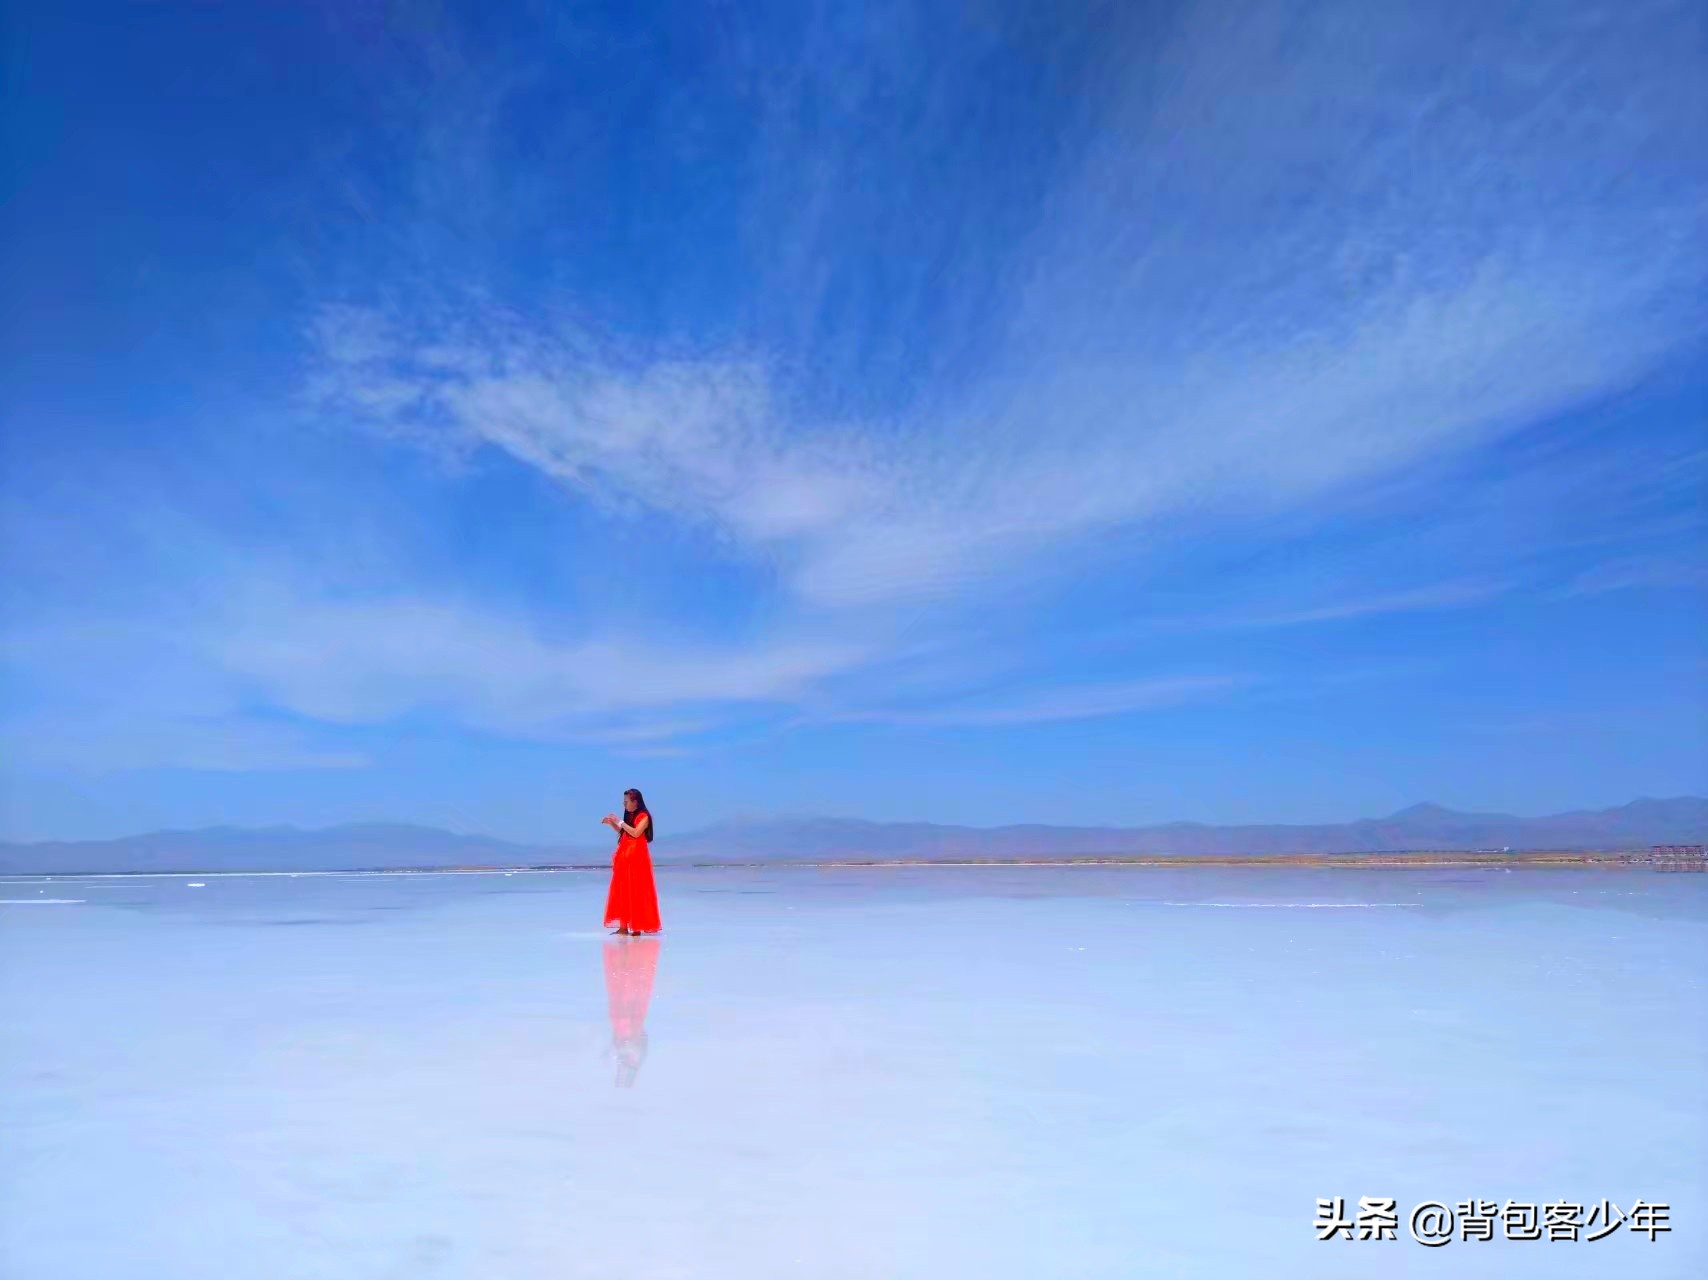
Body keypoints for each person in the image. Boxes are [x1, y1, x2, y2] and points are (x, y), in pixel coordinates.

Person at [601, 788, 661, 935]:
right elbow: (625, 833)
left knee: (636, 890)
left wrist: (620, 822)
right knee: (623, 890)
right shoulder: (630, 816)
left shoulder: (644, 816)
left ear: (635, 802)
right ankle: (623, 927)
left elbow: (635, 832)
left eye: (626, 802)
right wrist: (612, 824)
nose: (624, 804)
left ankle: (637, 928)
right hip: (625, 857)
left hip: (637, 859)